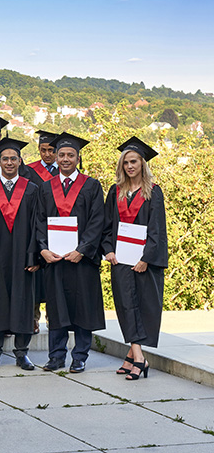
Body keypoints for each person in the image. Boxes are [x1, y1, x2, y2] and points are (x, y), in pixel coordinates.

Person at [35, 132, 105, 373]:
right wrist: (42, 248)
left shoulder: (92, 186)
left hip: (81, 260)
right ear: (56, 157)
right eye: (61, 154)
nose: (65, 159)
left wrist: (82, 250)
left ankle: (80, 356)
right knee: (56, 309)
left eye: (70, 155)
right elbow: (39, 221)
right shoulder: (46, 187)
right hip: (54, 259)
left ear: (78, 158)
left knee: (83, 307)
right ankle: (56, 356)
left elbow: (98, 222)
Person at [102, 137, 167, 381]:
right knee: (126, 306)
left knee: (144, 307)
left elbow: (157, 229)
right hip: (120, 259)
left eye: (134, 162)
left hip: (143, 262)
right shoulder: (115, 192)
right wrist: (108, 249)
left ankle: (136, 358)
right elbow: (107, 226)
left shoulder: (153, 192)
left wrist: (146, 258)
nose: (130, 166)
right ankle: (136, 357)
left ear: (142, 164)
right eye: (126, 162)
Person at [0, 138, 40, 370]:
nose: (9, 162)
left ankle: (22, 352)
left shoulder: (32, 189)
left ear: (19, 161)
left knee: (23, 301)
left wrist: (34, 255)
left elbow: (38, 225)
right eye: (4, 159)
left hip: (22, 255)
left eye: (13, 159)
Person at [26, 130, 59, 334]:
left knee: (55, 275)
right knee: (35, 277)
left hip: (59, 229)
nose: (47, 154)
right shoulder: (29, 170)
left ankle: (54, 317)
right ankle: (34, 318)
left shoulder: (64, 171)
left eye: (51, 150)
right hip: (35, 225)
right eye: (43, 150)